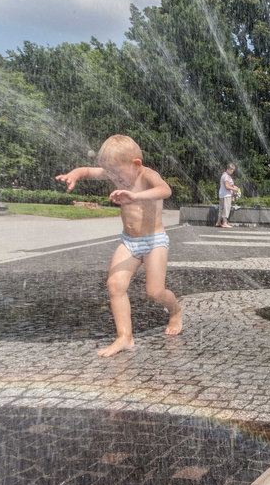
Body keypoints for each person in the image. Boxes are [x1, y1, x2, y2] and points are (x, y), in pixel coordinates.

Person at [56, 135, 182, 357]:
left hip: (154, 241)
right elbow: (87, 171)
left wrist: (135, 195)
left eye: (116, 173)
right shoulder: (117, 172)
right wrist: (73, 175)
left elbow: (165, 190)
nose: (113, 178)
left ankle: (175, 310)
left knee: (155, 292)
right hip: (129, 241)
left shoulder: (147, 175)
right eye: (109, 173)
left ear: (135, 164)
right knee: (115, 285)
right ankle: (125, 337)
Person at [215, 163, 240, 228]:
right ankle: (225, 223)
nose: (233, 172)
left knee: (221, 209)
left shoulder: (224, 175)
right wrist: (234, 189)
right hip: (226, 195)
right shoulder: (226, 176)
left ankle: (218, 222)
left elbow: (227, 185)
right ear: (229, 169)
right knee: (226, 209)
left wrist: (233, 187)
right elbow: (226, 186)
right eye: (232, 170)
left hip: (222, 194)